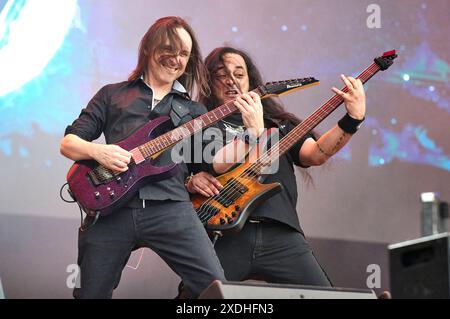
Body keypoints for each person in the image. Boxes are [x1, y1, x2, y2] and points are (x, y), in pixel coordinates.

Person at [60, 17, 232, 299]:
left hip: (171, 208)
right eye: (170, 49)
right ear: (150, 49)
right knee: (89, 294)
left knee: (217, 290)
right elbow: (69, 143)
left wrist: (253, 129)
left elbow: (215, 161)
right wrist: (98, 151)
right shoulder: (112, 95)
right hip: (111, 209)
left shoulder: (194, 110)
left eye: (184, 54)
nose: (177, 59)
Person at [185, 47, 366, 286]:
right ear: (209, 82)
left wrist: (352, 120)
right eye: (221, 75)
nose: (231, 81)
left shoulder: (279, 124)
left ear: (250, 81)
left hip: (280, 231)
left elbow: (316, 153)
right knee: (197, 297)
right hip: (223, 231)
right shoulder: (201, 124)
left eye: (239, 74)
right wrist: (253, 133)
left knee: (321, 294)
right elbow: (214, 164)